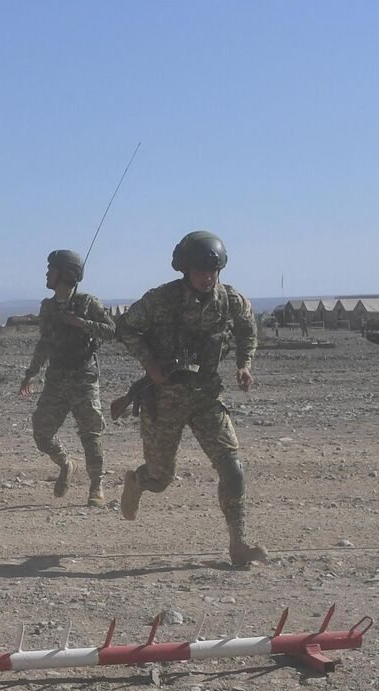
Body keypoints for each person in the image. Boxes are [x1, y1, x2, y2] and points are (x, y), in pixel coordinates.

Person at [111, 231, 268, 566]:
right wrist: (149, 363)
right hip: (163, 397)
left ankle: (238, 546)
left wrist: (244, 364)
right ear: (185, 270)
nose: (207, 277)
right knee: (160, 478)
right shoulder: (160, 300)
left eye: (212, 271)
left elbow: (247, 328)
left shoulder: (230, 300)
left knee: (232, 467)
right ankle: (137, 481)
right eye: (200, 271)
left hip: (205, 396)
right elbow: (124, 328)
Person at [19, 249, 115, 506]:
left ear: (66, 274)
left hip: (84, 377)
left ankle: (96, 487)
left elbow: (111, 331)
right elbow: (44, 343)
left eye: (52, 269)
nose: (47, 274)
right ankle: (66, 463)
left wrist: (81, 323)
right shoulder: (48, 307)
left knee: (90, 434)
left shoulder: (87, 303)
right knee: (41, 432)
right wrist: (31, 374)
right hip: (56, 378)